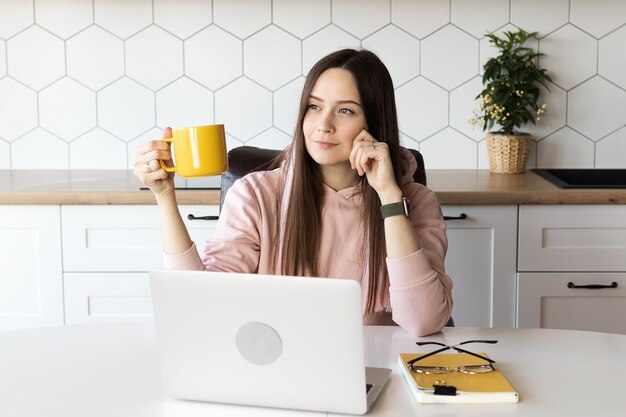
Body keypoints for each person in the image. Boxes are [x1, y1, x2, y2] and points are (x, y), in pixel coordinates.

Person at [135, 49, 452, 337]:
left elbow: (423, 321)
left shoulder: (417, 202)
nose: (322, 125)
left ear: (374, 121)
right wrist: (164, 196)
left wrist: (389, 197)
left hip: (375, 372)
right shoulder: (255, 195)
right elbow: (200, 305)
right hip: (275, 368)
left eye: (345, 111)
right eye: (314, 106)